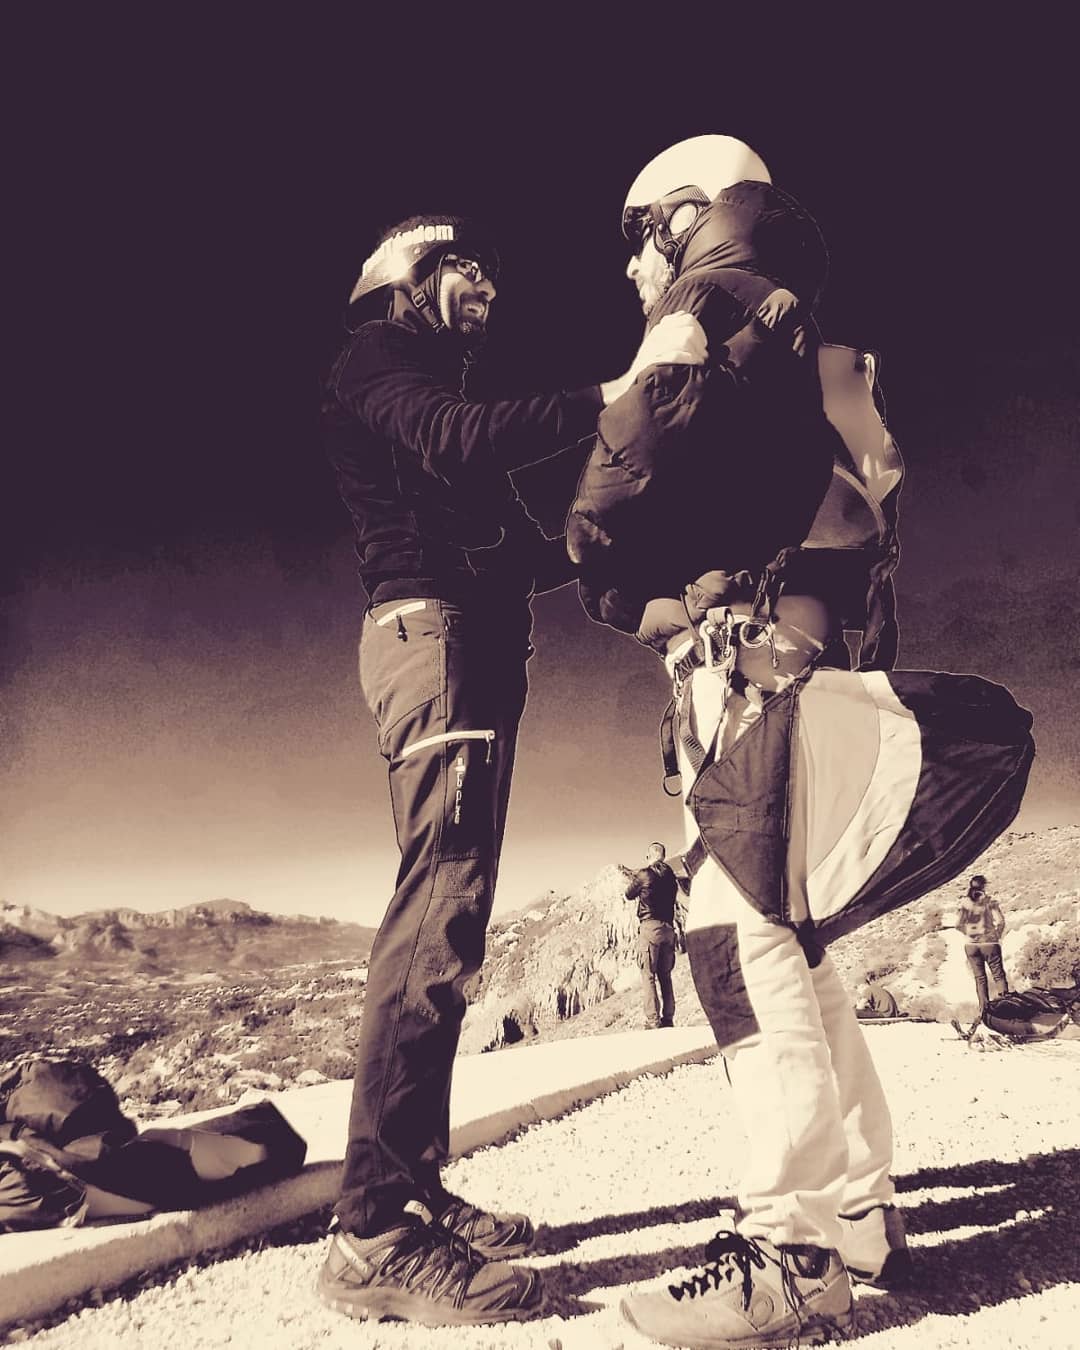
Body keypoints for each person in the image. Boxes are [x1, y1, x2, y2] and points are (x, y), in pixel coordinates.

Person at [565, 134, 1036, 1348]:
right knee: (789, 935)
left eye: (634, 238)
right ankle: (859, 1214)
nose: (630, 270)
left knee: (733, 939)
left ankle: (793, 1249)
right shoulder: (791, 322)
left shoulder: (706, 306)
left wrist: (624, 575)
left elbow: (608, 500)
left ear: (681, 215)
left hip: (749, 671)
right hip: (790, 661)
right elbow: (849, 498)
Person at [318, 212, 707, 1329]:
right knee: (438, 909)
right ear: (406, 279)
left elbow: (524, 548)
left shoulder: (436, 395)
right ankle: (372, 1233)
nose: (485, 283)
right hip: (433, 644)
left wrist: (622, 561)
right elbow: (458, 437)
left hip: (473, 644)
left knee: (459, 912)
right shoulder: (377, 359)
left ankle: (409, 1189)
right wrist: (617, 390)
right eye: (462, 266)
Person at [623, 842, 679, 1028]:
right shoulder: (671, 875)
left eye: (647, 856)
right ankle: (668, 1018)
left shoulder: (645, 874)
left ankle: (653, 1020)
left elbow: (628, 894)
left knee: (648, 975)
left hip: (650, 928)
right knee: (665, 975)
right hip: (668, 928)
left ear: (650, 856)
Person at [957, 874, 1009, 1013]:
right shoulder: (989, 902)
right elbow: (1000, 921)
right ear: (984, 886)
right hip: (989, 943)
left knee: (980, 979)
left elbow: (958, 925)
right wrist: (996, 935)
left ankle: (984, 1011)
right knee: (998, 976)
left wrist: (970, 935)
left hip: (971, 946)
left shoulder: (965, 904)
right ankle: (1006, 1008)